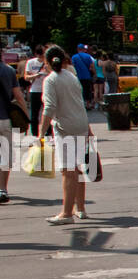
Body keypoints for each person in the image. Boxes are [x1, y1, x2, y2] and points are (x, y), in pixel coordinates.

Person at [37, 46, 93, 223]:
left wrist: (41, 131)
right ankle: (81, 208)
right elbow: (79, 103)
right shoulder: (72, 76)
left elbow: (50, 107)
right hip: (81, 125)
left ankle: (66, 213)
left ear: (46, 62)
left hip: (65, 128)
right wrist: (89, 129)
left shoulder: (51, 80)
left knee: (68, 171)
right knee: (78, 168)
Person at [0, 56, 29, 204]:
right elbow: (18, 96)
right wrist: (26, 117)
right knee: (5, 155)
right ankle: (2, 189)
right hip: (5, 120)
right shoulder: (8, 70)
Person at [24, 44, 47, 135]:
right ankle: (34, 134)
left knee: (47, 113)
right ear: (36, 54)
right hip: (35, 90)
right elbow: (26, 77)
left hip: (46, 90)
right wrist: (36, 75)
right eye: (40, 54)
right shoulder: (31, 62)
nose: (41, 56)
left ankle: (48, 133)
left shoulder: (47, 62)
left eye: (43, 54)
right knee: (34, 114)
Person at [70, 44, 96, 110]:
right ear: (83, 49)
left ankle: (80, 104)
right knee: (87, 90)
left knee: (79, 90)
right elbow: (92, 67)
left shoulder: (74, 57)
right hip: (87, 76)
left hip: (78, 77)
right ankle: (87, 104)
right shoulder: (88, 56)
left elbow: (72, 66)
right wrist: (95, 74)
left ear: (78, 49)